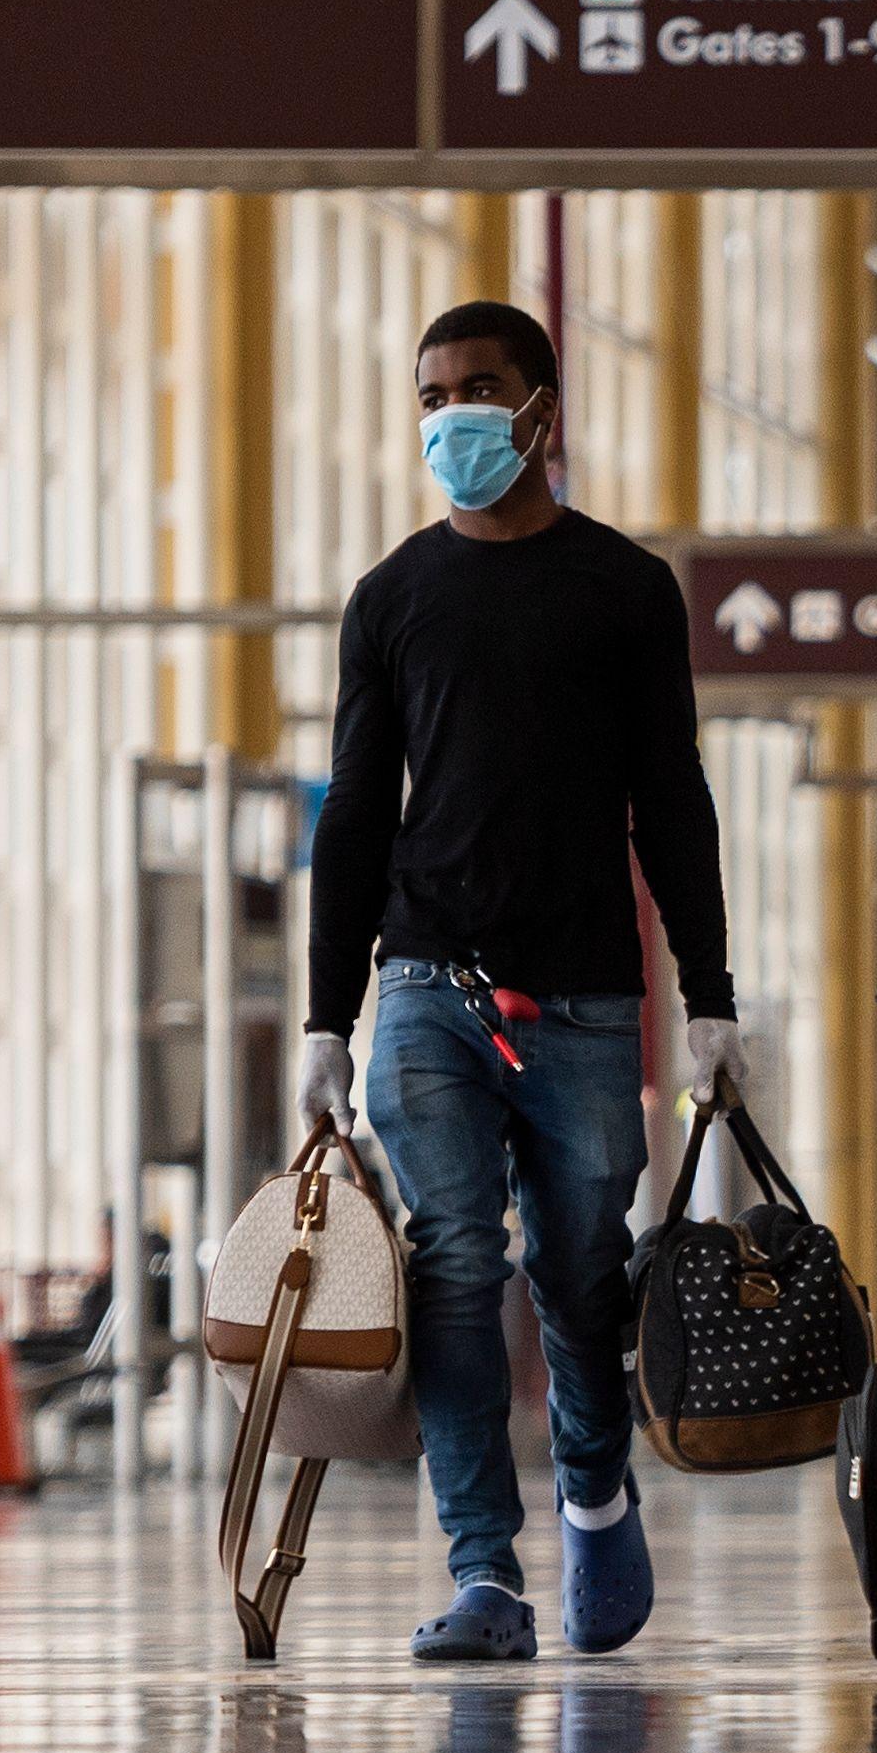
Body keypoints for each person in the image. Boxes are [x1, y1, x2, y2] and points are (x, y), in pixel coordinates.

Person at [297, 301, 745, 1666]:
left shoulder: (623, 589)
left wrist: (711, 994)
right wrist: (327, 1015)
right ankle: (484, 1567)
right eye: (432, 395)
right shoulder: (392, 599)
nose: (453, 419)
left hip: (591, 1001)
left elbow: (671, 795)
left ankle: (598, 1493)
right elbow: (356, 814)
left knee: (579, 1268)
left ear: (544, 410)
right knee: (451, 1257)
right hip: (429, 979)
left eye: (480, 391)